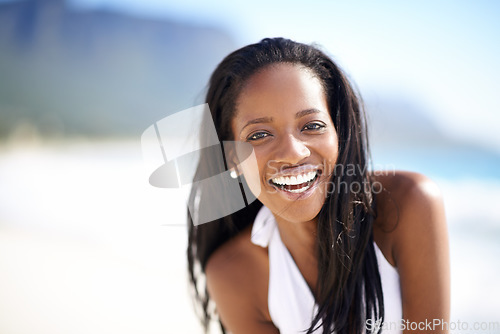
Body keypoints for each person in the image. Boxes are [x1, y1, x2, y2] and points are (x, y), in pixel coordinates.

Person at [187, 38, 449, 334]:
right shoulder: (233, 273)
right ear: (233, 157)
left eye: (312, 126)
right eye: (259, 134)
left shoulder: (408, 203)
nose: (293, 153)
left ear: (339, 132)